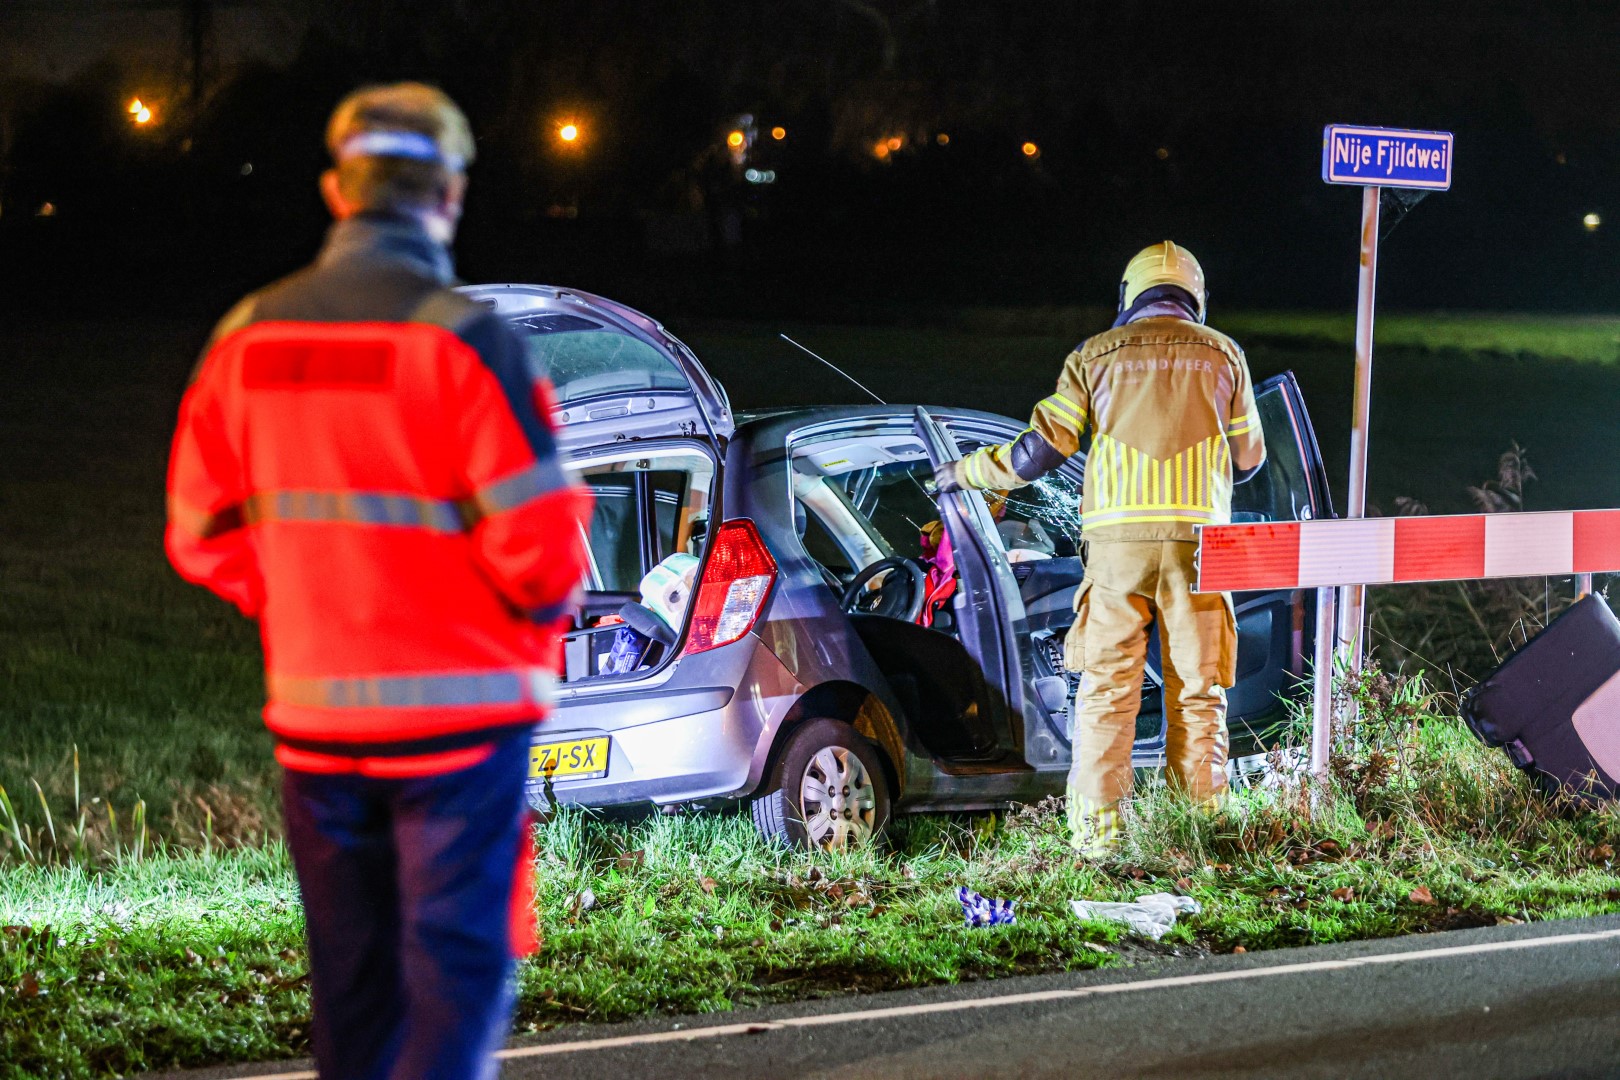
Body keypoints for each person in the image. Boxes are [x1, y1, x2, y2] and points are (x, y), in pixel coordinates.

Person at [165, 83, 592, 1078]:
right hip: (461, 727)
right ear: (449, 194)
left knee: (353, 998)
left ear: (336, 190)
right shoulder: (468, 343)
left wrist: (309, 602)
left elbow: (197, 534)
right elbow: (541, 554)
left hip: (317, 730)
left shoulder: (245, 339)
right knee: (454, 979)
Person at [935, 241, 1265, 858]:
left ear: (1129, 296)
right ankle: (1198, 834)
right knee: (1198, 693)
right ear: (1194, 297)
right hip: (1201, 549)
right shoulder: (1226, 355)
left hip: (1117, 553)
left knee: (1108, 693)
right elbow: (1250, 460)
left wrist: (968, 472)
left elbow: (1038, 453)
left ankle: (1099, 844)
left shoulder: (1095, 355)